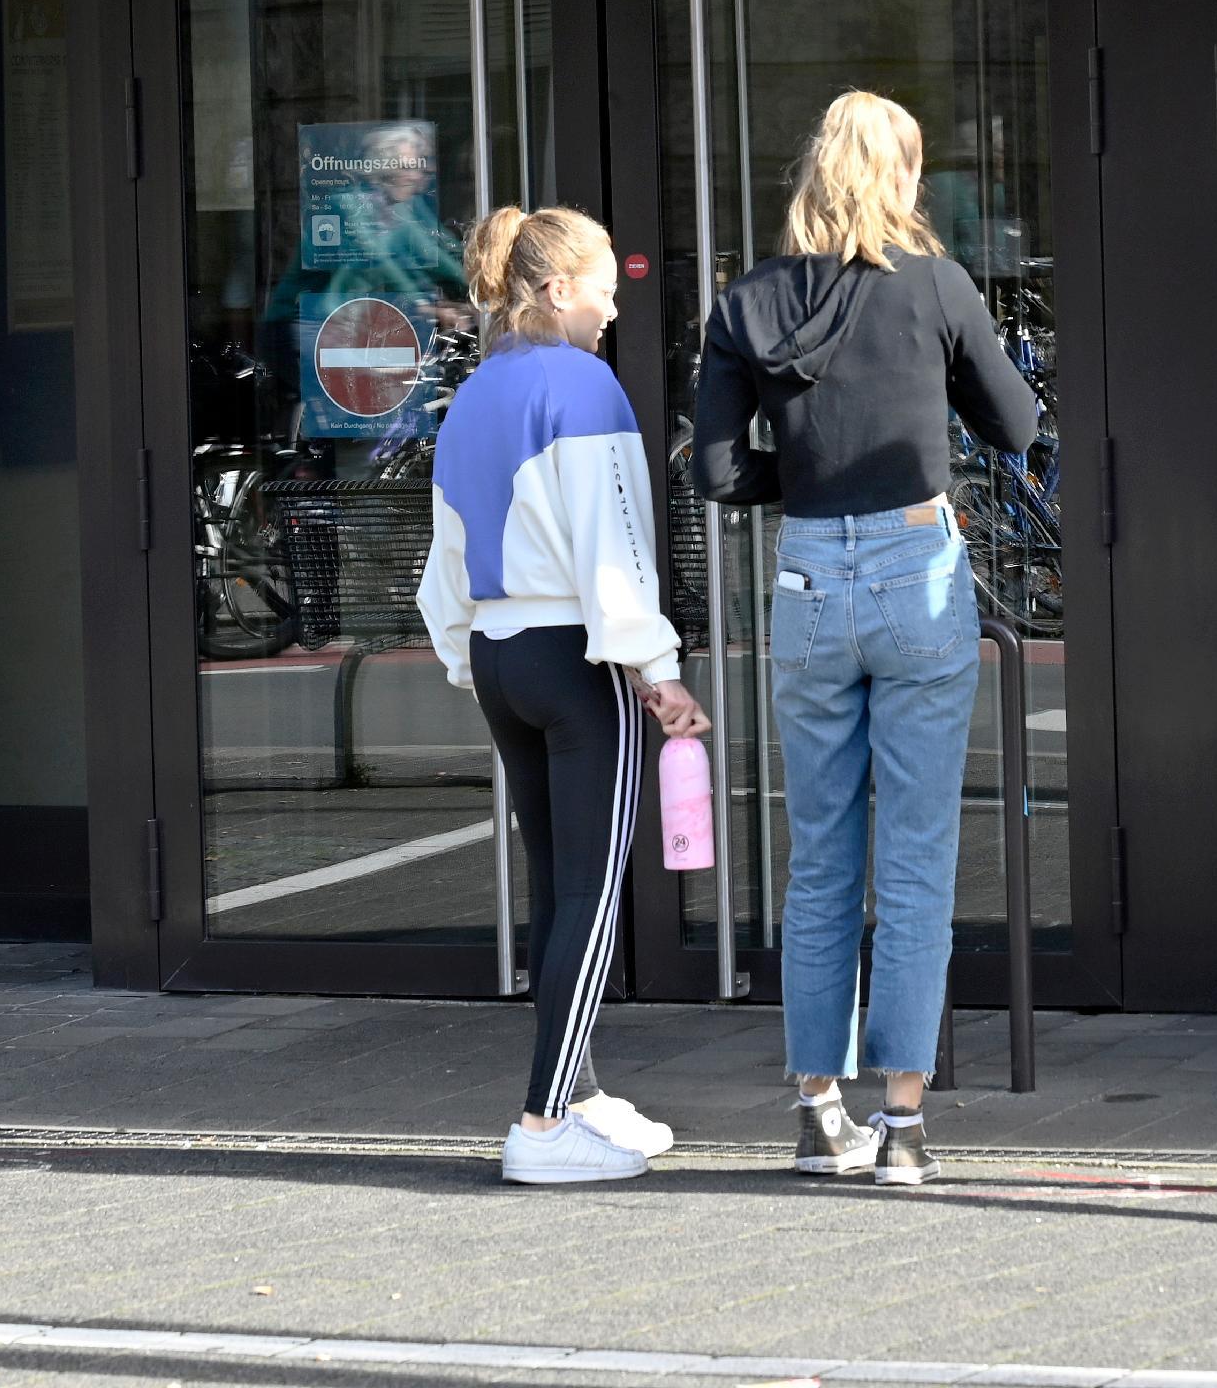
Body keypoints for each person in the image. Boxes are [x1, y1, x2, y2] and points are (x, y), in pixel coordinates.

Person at [694, 90, 1041, 1187]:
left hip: (804, 575)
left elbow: (709, 468)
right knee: (918, 853)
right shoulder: (935, 284)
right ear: (900, 177)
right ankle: (902, 1127)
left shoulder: (743, 303)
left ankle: (814, 1111)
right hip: (915, 568)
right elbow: (1020, 425)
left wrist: (793, 479)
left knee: (820, 858)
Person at [417, 205, 712, 1185]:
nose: (612, 309)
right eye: (602, 289)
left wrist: (469, 655)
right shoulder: (584, 386)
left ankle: (578, 1095)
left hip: (502, 652)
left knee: (556, 886)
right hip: (577, 657)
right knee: (591, 897)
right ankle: (544, 1122)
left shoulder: (475, 393)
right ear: (554, 289)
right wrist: (658, 672)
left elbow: (445, 557)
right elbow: (614, 544)